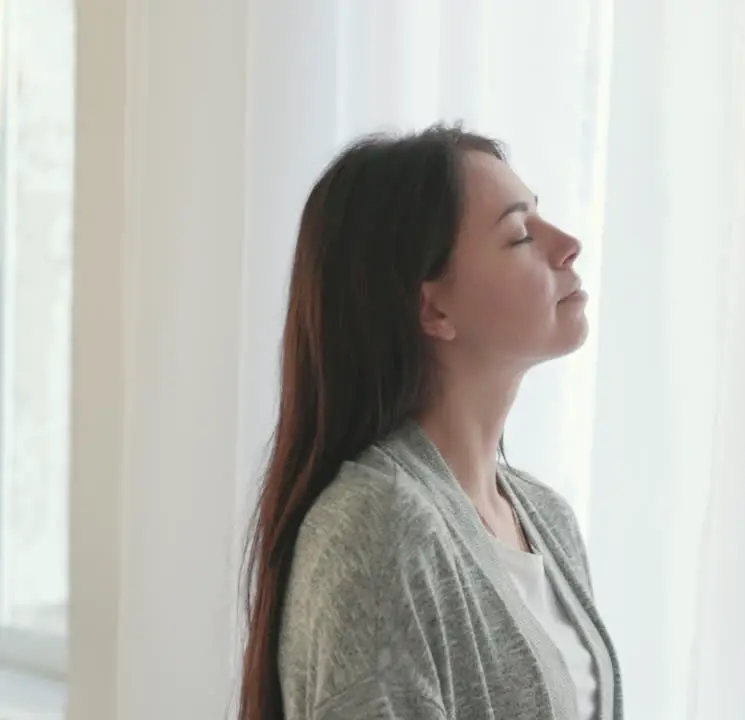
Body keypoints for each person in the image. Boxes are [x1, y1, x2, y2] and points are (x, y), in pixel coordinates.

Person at [238, 125, 622, 720]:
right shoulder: (375, 527)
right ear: (433, 307)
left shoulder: (547, 519)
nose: (568, 243)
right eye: (521, 235)